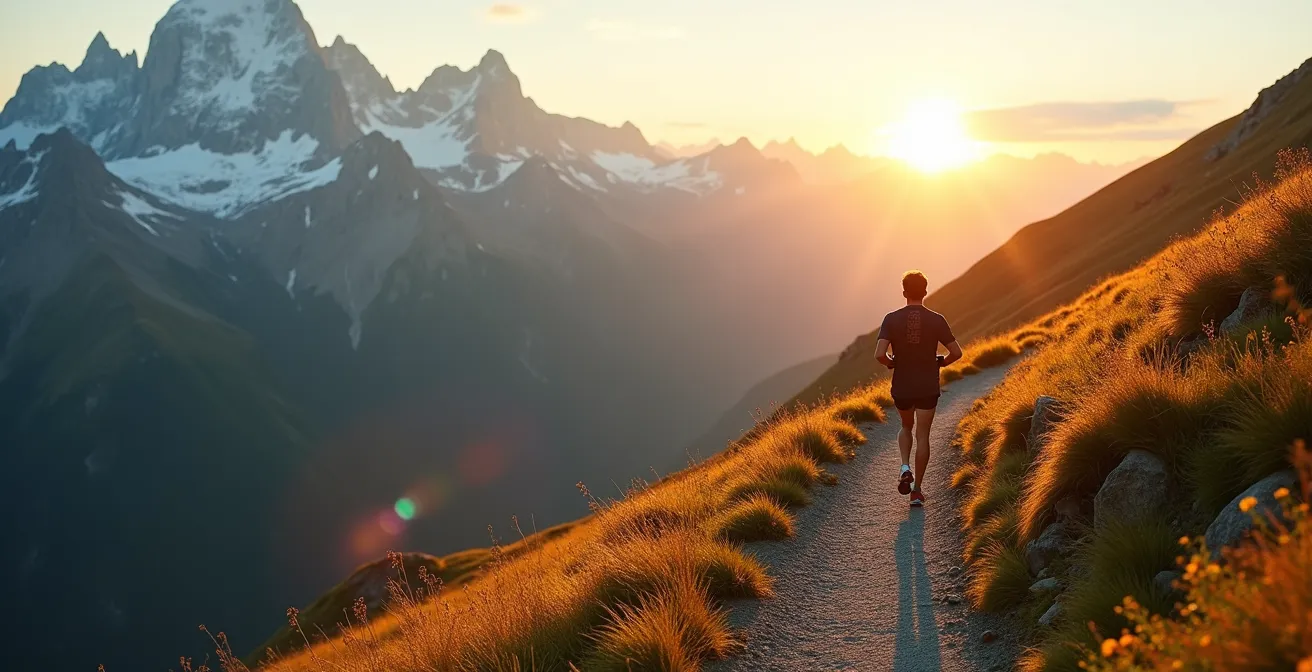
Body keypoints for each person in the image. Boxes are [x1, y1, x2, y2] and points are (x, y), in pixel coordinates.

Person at [875, 271, 963, 507]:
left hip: (902, 385)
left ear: (904, 292)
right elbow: (957, 352)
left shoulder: (890, 319)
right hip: (927, 385)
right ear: (925, 292)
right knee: (922, 435)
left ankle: (904, 466)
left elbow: (879, 355)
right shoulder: (937, 319)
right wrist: (941, 362)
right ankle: (917, 492)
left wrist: (892, 363)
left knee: (905, 426)